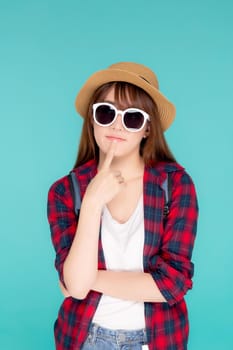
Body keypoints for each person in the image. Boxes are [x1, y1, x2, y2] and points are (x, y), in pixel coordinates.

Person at [47, 62, 198, 350]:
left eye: (132, 118)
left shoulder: (176, 186)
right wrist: (92, 202)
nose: (116, 124)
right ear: (93, 120)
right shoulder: (66, 193)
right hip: (85, 338)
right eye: (106, 112)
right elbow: (76, 286)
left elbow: (173, 284)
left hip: (156, 340)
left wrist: (88, 278)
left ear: (147, 128)